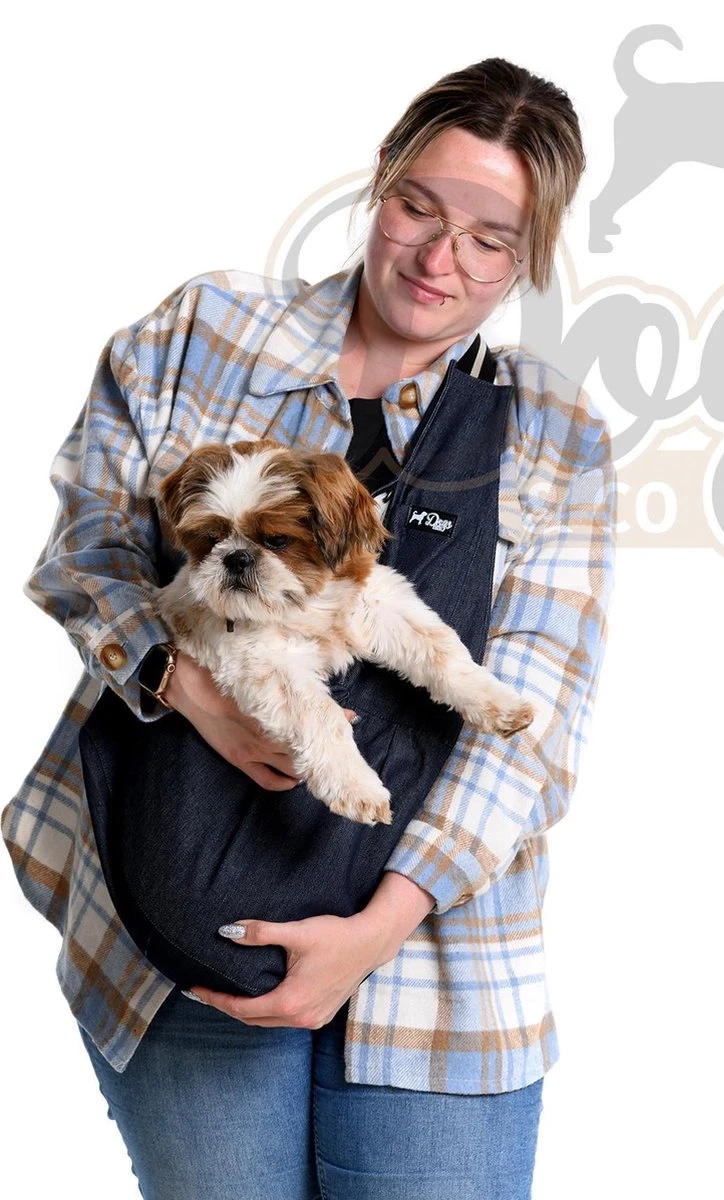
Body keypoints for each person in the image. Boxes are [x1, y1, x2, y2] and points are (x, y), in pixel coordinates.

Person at [2, 57, 616, 1199]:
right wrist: (188, 687)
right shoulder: (203, 329)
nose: (439, 259)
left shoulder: (552, 430)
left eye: (489, 240)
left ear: (530, 255)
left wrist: (376, 928)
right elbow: (86, 548)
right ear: (380, 177)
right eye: (418, 207)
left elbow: (539, 710)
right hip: (178, 905)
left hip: (435, 962)